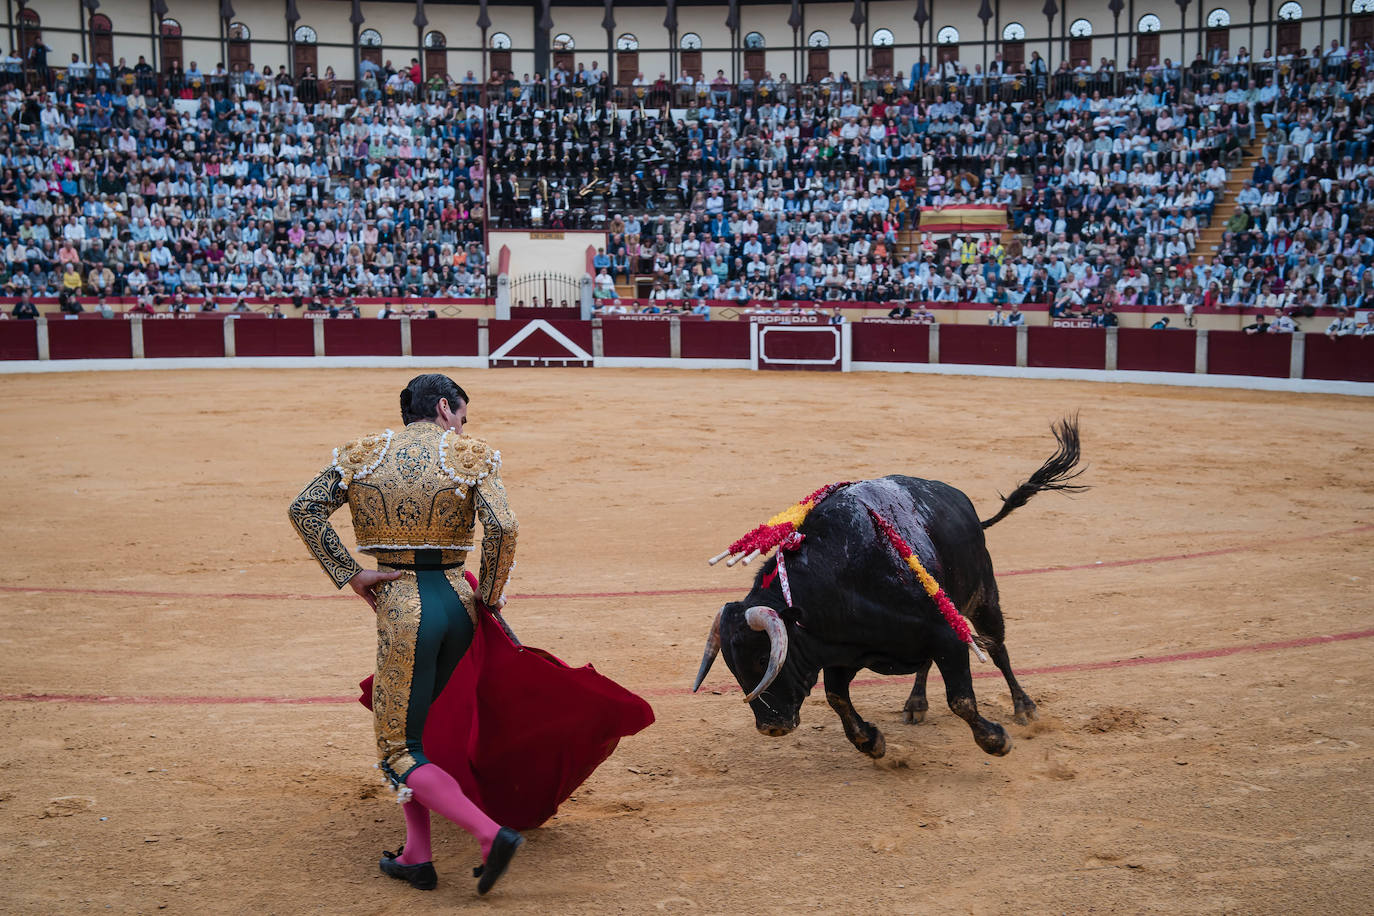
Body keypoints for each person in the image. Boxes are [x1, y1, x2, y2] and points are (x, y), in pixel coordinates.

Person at [288, 375, 525, 895]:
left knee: (398, 747)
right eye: (462, 414)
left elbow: (303, 509)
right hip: (456, 607)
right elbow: (503, 528)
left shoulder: (362, 454)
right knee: (414, 735)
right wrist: (487, 593)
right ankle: (417, 855)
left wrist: (351, 573)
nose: (464, 425)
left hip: (402, 606)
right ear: (444, 408)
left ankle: (490, 836)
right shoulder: (470, 455)